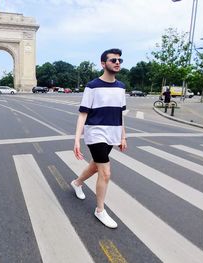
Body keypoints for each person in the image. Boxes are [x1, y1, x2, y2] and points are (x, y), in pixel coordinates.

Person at [71, 48, 127, 229]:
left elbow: (121, 114)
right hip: (95, 133)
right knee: (106, 173)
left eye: (120, 60)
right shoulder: (92, 86)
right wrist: (77, 139)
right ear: (103, 64)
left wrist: (123, 136)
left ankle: (77, 183)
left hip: (113, 133)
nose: (117, 62)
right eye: (113, 60)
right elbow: (83, 114)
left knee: (96, 166)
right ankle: (100, 210)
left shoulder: (121, 87)